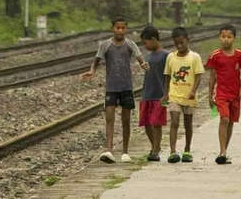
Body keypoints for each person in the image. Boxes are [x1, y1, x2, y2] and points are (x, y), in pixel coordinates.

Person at [81, 17, 149, 163]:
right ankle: (109, 149)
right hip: (111, 87)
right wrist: (92, 71)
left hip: (126, 87)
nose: (120, 30)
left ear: (126, 29)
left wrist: (144, 64)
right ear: (113, 29)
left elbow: (140, 57)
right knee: (109, 119)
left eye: (123, 28)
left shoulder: (130, 44)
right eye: (117, 28)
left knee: (126, 120)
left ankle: (125, 151)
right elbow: (97, 60)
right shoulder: (105, 45)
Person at [205, 23, 241, 164]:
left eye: (229, 37)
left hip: (235, 94)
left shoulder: (240, 55)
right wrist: (209, 94)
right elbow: (212, 76)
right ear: (219, 37)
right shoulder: (215, 55)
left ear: (234, 38)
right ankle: (222, 151)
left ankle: (225, 151)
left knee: (230, 122)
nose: (226, 39)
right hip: (221, 93)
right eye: (223, 36)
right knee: (224, 119)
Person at [162, 25, 204, 163]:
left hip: (189, 97)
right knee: (174, 122)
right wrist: (166, 93)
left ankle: (187, 150)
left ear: (188, 40)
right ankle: (173, 151)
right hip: (174, 95)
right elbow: (167, 75)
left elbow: (198, 76)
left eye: (182, 43)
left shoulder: (194, 57)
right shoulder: (170, 57)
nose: (179, 46)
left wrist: (193, 91)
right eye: (176, 44)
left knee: (188, 124)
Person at [139, 25, 169, 161]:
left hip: (159, 94)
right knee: (146, 122)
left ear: (152, 39)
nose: (145, 46)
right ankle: (154, 146)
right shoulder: (148, 57)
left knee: (157, 123)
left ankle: (156, 149)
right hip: (147, 93)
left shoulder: (166, 55)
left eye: (145, 42)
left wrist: (167, 93)